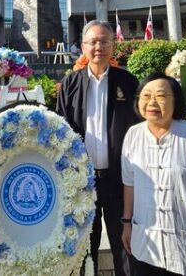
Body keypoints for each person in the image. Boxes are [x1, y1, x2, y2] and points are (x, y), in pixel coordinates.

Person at [57, 20, 138, 276]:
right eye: (92, 42)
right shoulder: (70, 84)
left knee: (124, 246)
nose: (98, 46)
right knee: (83, 250)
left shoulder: (128, 82)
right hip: (83, 183)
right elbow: (60, 132)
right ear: (83, 46)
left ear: (113, 45)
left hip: (118, 181)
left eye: (104, 41)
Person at [121, 72, 186, 276]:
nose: (152, 102)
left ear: (175, 101)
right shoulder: (133, 135)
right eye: (146, 96)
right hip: (149, 246)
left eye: (161, 96)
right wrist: (126, 223)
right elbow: (129, 184)